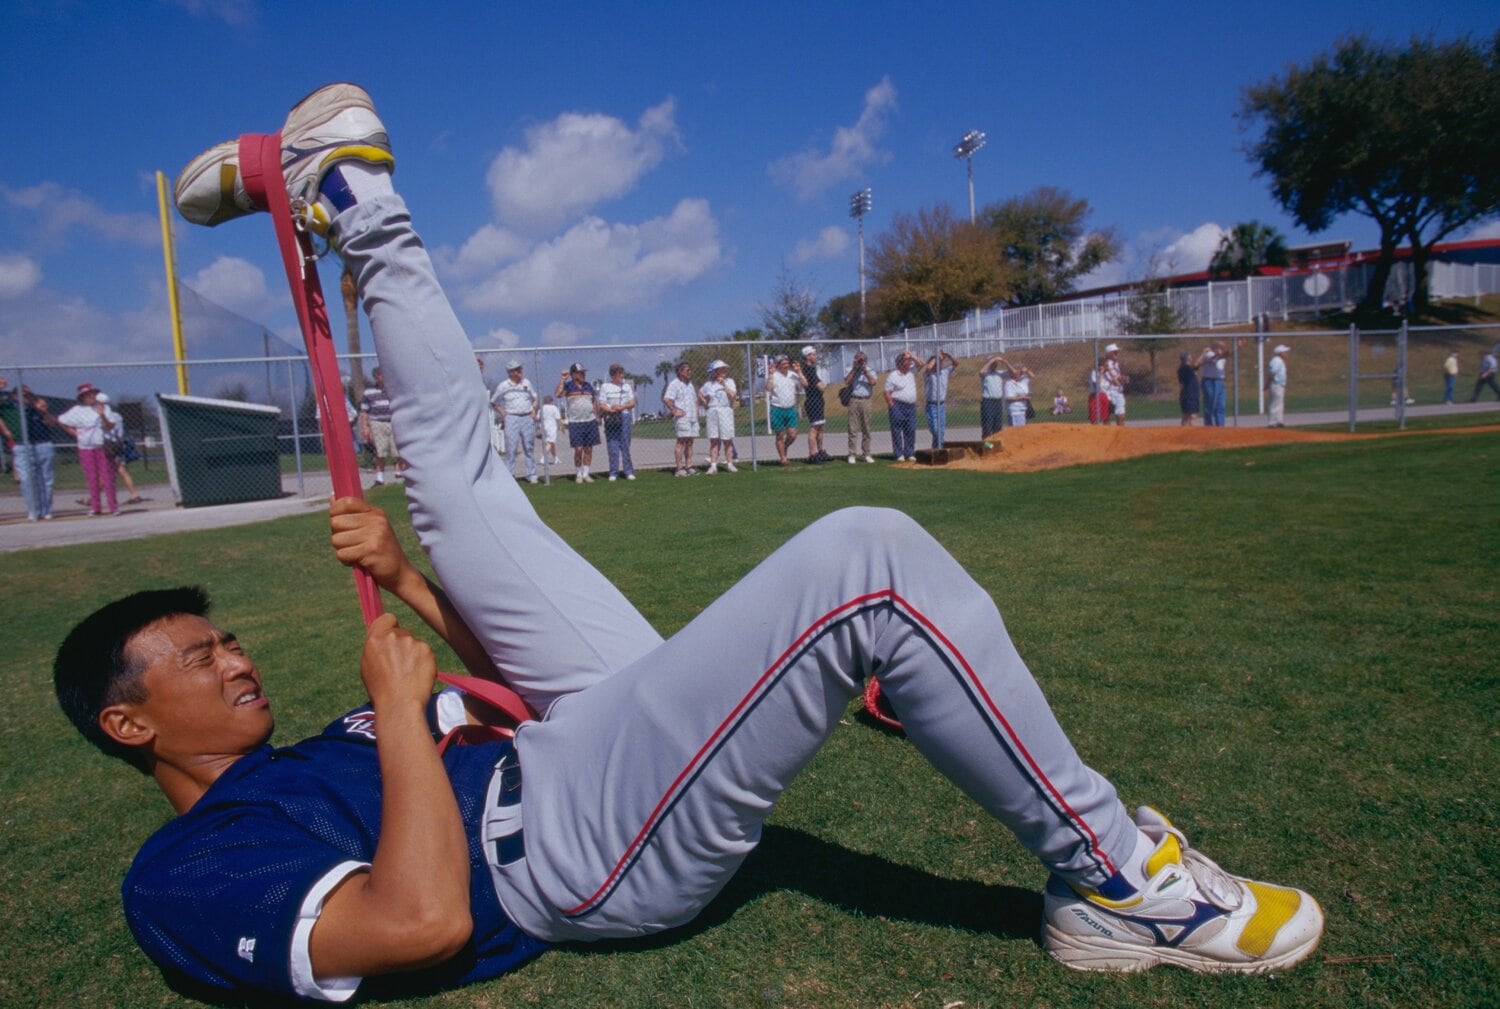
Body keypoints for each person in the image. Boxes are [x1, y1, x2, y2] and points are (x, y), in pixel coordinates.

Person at [70, 84, 1322, 1005]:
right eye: (196, 656)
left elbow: (488, 688)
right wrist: (403, 715)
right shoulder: (183, 870)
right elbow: (420, 922)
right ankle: (1116, 886)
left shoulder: (299, 748)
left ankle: (352, 199)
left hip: (565, 738)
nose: (234, 657)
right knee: (866, 558)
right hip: (567, 854)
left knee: (459, 485)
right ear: (129, 723)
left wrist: (404, 584)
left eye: (223, 636)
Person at [58, 381, 118, 516]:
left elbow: (110, 426)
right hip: (85, 448)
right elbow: (61, 420)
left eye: (92, 394)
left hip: (102, 446)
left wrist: (102, 414)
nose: (91, 396)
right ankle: (96, 507)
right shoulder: (76, 410)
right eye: (87, 394)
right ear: (82, 397)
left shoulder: (104, 408)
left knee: (107, 478)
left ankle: (113, 506)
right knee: (92, 478)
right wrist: (74, 433)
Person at [2, 383, 59, 520]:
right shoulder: (8, 408)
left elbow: (52, 424)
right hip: (22, 445)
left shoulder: (36, 408)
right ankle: (34, 510)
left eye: (29, 395)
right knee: (27, 479)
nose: (27, 398)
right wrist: (6, 431)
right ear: (15, 396)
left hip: (42, 444)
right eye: (24, 395)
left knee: (46, 479)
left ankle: (46, 510)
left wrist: (44, 411)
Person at [491, 361, 539, 485]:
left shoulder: (526, 383)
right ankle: (510, 475)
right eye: (517, 370)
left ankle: (531, 474)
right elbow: (493, 401)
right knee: (511, 447)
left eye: (520, 369)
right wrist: (502, 412)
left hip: (527, 417)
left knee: (529, 447)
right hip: (511, 417)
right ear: (510, 373)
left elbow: (535, 398)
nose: (520, 372)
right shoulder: (503, 386)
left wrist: (533, 409)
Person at [360, 367, 406, 486]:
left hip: (393, 422)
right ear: (376, 377)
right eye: (380, 375)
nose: (383, 377)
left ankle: (399, 472)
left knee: (397, 449)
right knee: (380, 451)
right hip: (377, 423)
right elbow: (364, 411)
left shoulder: (394, 391)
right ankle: (379, 478)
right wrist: (366, 427)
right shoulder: (368, 393)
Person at [95, 393, 143, 503]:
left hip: (110, 446)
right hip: (118, 445)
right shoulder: (117, 415)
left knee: (107, 471)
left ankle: (93, 498)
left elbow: (106, 427)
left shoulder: (107, 415)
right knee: (121, 471)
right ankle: (134, 494)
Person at [556, 364, 599, 483]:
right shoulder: (568, 386)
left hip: (589, 421)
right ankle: (578, 474)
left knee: (588, 449)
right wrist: (563, 379)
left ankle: (586, 473)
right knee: (579, 449)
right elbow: (558, 394)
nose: (583, 375)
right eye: (580, 373)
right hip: (575, 422)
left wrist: (596, 416)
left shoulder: (588, 386)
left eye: (583, 372)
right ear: (574, 374)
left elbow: (594, 402)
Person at [599, 364, 638, 481]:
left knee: (625, 445)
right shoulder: (605, 386)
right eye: (619, 373)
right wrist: (611, 410)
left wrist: (622, 406)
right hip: (611, 418)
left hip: (624, 417)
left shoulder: (626, 387)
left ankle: (628, 471)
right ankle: (613, 472)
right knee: (612, 446)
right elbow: (602, 404)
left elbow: (632, 403)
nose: (622, 376)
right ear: (613, 374)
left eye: (622, 373)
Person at [699, 360, 738, 475]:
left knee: (727, 439)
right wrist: (705, 403)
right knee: (714, 440)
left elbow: (733, 396)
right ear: (715, 372)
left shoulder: (730, 382)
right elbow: (700, 393)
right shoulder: (708, 384)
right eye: (721, 369)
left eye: (724, 369)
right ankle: (713, 465)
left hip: (725, 410)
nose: (724, 371)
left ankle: (730, 464)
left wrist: (724, 385)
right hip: (712, 411)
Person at [764, 354, 803, 466]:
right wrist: (770, 375)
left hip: (790, 409)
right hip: (777, 408)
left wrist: (799, 372)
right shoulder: (774, 375)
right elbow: (768, 389)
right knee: (779, 435)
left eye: (787, 363)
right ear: (778, 365)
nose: (786, 365)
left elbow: (803, 385)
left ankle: (784, 447)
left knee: (793, 434)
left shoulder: (793, 375)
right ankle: (783, 458)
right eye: (783, 363)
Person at [662, 361, 700, 477]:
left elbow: (695, 399)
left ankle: (689, 466)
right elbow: (667, 399)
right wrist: (674, 411)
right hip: (682, 417)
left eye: (690, 370)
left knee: (690, 442)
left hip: (692, 417)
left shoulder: (690, 384)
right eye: (687, 370)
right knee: (681, 442)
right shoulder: (674, 384)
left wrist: (696, 409)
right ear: (680, 372)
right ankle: (679, 468)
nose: (690, 372)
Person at [884, 351, 918, 461]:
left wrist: (911, 355)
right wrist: (891, 405)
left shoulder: (911, 372)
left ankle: (909, 452)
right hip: (897, 406)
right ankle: (899, 454)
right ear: (900, 363)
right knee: (897, 430)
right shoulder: (893, 376)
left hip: (911, 406)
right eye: (907, 360)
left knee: (911, 429)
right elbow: (887, 392)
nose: (910, 362)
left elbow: (922, 364)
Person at [921, 348, 958, 449]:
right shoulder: (929, 374)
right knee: (935, 430)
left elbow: (956, 363)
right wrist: (936, 357)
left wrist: (948, 355)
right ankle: (940, 447)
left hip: (941, 405)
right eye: (938, 362)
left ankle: (936, 449)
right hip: (932, 405)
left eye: (941, 362)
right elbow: (928, 368)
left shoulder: (945, 372)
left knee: (941, 430)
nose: (940, 364)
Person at [843, 352, 877, 463]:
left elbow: (873, 382)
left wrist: (864, 370)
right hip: (854, 399)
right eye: (858, 360)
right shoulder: (851, 369)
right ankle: (852, 454)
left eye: (862, 360)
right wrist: (854, 369)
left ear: (866, 361)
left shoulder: (870, 370)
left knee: (866, 428)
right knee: (852, 429)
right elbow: (846, 382)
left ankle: (866, 454)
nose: (860, 362)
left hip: (866, 400)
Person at [799, 346, 830, 464]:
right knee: (814, 428)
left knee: (821, 427)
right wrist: (823, 385)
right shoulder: (807, 369)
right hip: (812, 400)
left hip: (818, 399)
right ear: (807, 356)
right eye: (813, 354)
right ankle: (812, 454)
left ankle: (820, 451)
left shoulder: (812, 368)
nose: (815, 356)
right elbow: (820, 386)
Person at [1199, 341, 1228, 427]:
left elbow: (1227, 354)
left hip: (1220, 381)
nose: (1222, 348)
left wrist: (1237, 347)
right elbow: (1215, 358)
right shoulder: (1209, 354)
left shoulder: (1222, 355)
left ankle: (1220, 425)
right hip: (1210, 381)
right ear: (1215, 347)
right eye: (1220, 347)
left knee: (1220, 405)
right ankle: (1209, 426)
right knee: (1210, 405)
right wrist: (1219, 354)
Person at [1098, 344, 1127, 427]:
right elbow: (1113, 379)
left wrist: (1123, 378)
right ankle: (1108, 433)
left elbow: (1116, 377)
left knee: (1121, 412)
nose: (1117, 353)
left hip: (1118, 390)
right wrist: (1119, 379)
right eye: (1114, 352)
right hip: (1108, 391)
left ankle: (1121, 432)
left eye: (1117, 352)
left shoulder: (1116, 364)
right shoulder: (1105, 364)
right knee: (1107, 414)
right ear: (1109, 354)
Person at [1002, 361, 1036, 429]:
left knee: (1022, 430)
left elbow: (1033, 376)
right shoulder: (1009, 383)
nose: (1019, 373)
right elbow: (1009, 398)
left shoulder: (1023, 380)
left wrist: (1026, 370)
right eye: (1017, 372)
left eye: (1020, 372)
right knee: (1016, 430)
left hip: (1022, 409)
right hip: (1014, 410)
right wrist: (1023, 398)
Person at [980, 355, 1007, 437]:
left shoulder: (1000, 373)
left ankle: (994, 446)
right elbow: (980, 372)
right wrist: (991, 361)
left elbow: (1014, 373)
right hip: (988, 402)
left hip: (998, 402)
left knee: (998, 426)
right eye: (993, 363)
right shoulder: (985, 373)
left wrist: (1004, 361)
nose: (995, 365)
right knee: (987, 427)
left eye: (996, 363)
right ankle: (987, 446)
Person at [1265, 345, 1290, 428]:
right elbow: (1272, 373)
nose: (1286, 353)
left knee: (1279, 403)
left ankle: (1279, 421)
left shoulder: (1279, 361)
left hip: (1280, 385)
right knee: (1275, 403)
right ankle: (1272, 422)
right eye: (1285, 352)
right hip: (1276, 384)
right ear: (1280, 353)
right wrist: (1267, 384)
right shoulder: (1276, 361)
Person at [1177, 353, 1200, 426]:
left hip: (1190, 394)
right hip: (1189, 394)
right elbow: (1197, 364)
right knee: (1192, 415)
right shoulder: (1185, 368)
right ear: (1188, 359)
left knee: (1186, 415)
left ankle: (1184, 432)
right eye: (1190, 358)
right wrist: (1204, 353)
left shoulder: (1186, 368)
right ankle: (1191, 433)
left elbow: (1197, 366)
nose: (1191, 359)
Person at [539, 396, 561, 465]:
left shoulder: (541, 408)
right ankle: (543, 458)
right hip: (551, 427)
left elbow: (538, 418)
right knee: (550, 443)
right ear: (551, 401)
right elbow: (558, 418)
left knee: (551, 443)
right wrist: (560, 426)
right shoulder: (554, 408)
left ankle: (555, 458)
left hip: (543, 426)